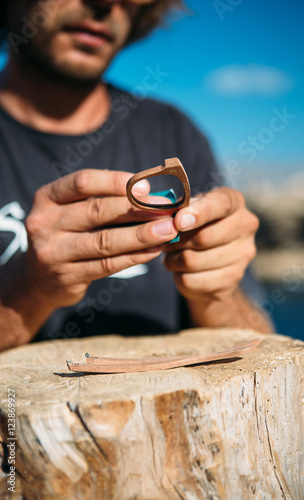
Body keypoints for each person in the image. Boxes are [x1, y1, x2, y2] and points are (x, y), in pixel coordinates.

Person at [0, 0, 272, 352]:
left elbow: (261, 341)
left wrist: (216, 294)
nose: (104, 5)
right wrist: (28, 290)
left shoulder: (174, 132)